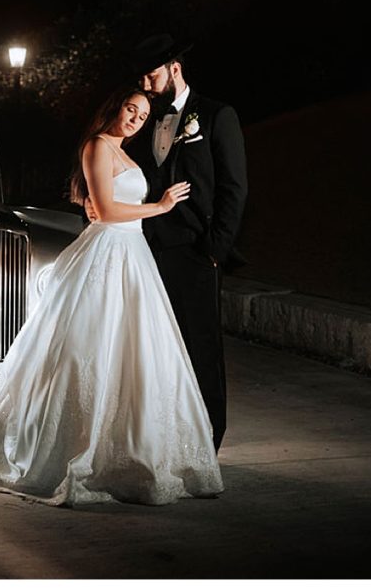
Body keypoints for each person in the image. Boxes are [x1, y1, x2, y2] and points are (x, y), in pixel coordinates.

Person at [0, 87, 224, 507]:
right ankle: (81, 447)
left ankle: (143, 448)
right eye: (130, 109)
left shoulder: (125, 152)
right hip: (107, 250)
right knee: (93, 346)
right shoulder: (97, 146)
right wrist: (159, 207)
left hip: (135, 255)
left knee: (141, 349)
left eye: (142, 114)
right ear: (114, 106)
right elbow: (104, 209)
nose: (136, 118)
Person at [87, 34, 248, 452]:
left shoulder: (215, 116)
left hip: (195, 251)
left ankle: (208, 441)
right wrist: (86, 198)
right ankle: (165, 436)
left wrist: (214, 249)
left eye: (152, 72)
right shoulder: (144, 121)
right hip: (145, 250)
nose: (145, 81)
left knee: (201, 347)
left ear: (174, 69)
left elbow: (234, 188)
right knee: (155, 349)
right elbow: (111, 165)